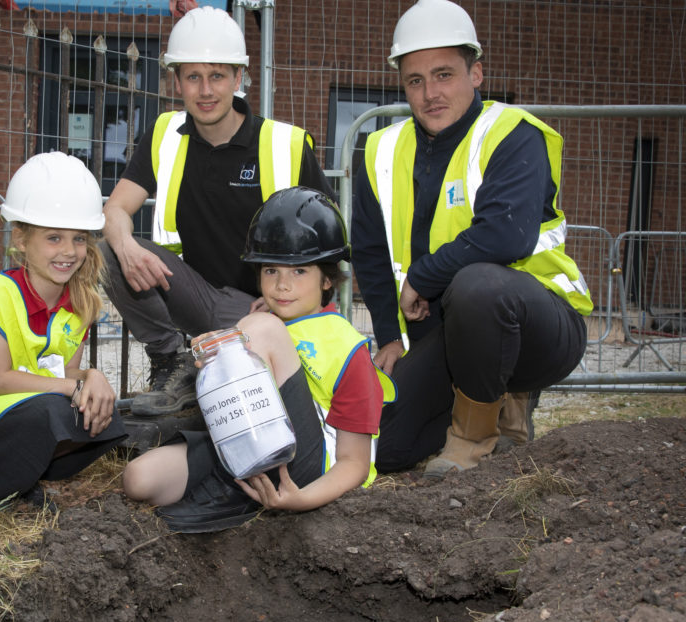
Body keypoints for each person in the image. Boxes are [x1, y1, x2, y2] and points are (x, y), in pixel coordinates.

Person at [349, 0, 592, 479]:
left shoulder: (511, 135)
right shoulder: (380, 150)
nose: (429, 93)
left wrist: (424, 274)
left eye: (444, 75)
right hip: (442, 338)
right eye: (415, 80)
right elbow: (372, 254)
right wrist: (390, 338)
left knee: (479, 285)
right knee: (389, 448)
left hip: (536, 330)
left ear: (476, 73)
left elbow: (507, 235)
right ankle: (482, 405)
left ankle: (476, 435)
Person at [101, 6, 336, 417]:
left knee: (236, 401)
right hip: (192, 295)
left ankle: (204, 379)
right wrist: (124, 244)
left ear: (238, 78)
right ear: (177, 81)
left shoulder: (285, 145)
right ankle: (172, 361)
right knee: (104, 252)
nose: (205, 90)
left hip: (259, 307)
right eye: (193, 77)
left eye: (217, 76)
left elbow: (330, 245)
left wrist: (286, 300)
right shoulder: (164, 136)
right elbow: (117, 207)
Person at [123, 187, 394, 533]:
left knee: (256, 330)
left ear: (327, 278)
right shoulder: (266, 324)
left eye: (299, 272)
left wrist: (302, 500)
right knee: (140, 479)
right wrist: (211, 363)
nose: (282, 286)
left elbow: (355, 464)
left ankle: (228, 496)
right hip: (245, 444)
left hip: (307, 472)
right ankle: (238, 485)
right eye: (270, 271)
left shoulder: (346, 347)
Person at [0, 152, 128, 515]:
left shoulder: (80, 303)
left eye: (79, 239)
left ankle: (19, 477)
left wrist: (91, 377)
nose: (69, 251)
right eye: (54, 238)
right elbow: (1, 381)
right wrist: (74, 388)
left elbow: (65, 372)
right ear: (21, 240)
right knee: (54, 409)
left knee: (108, 413)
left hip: (18, 410)